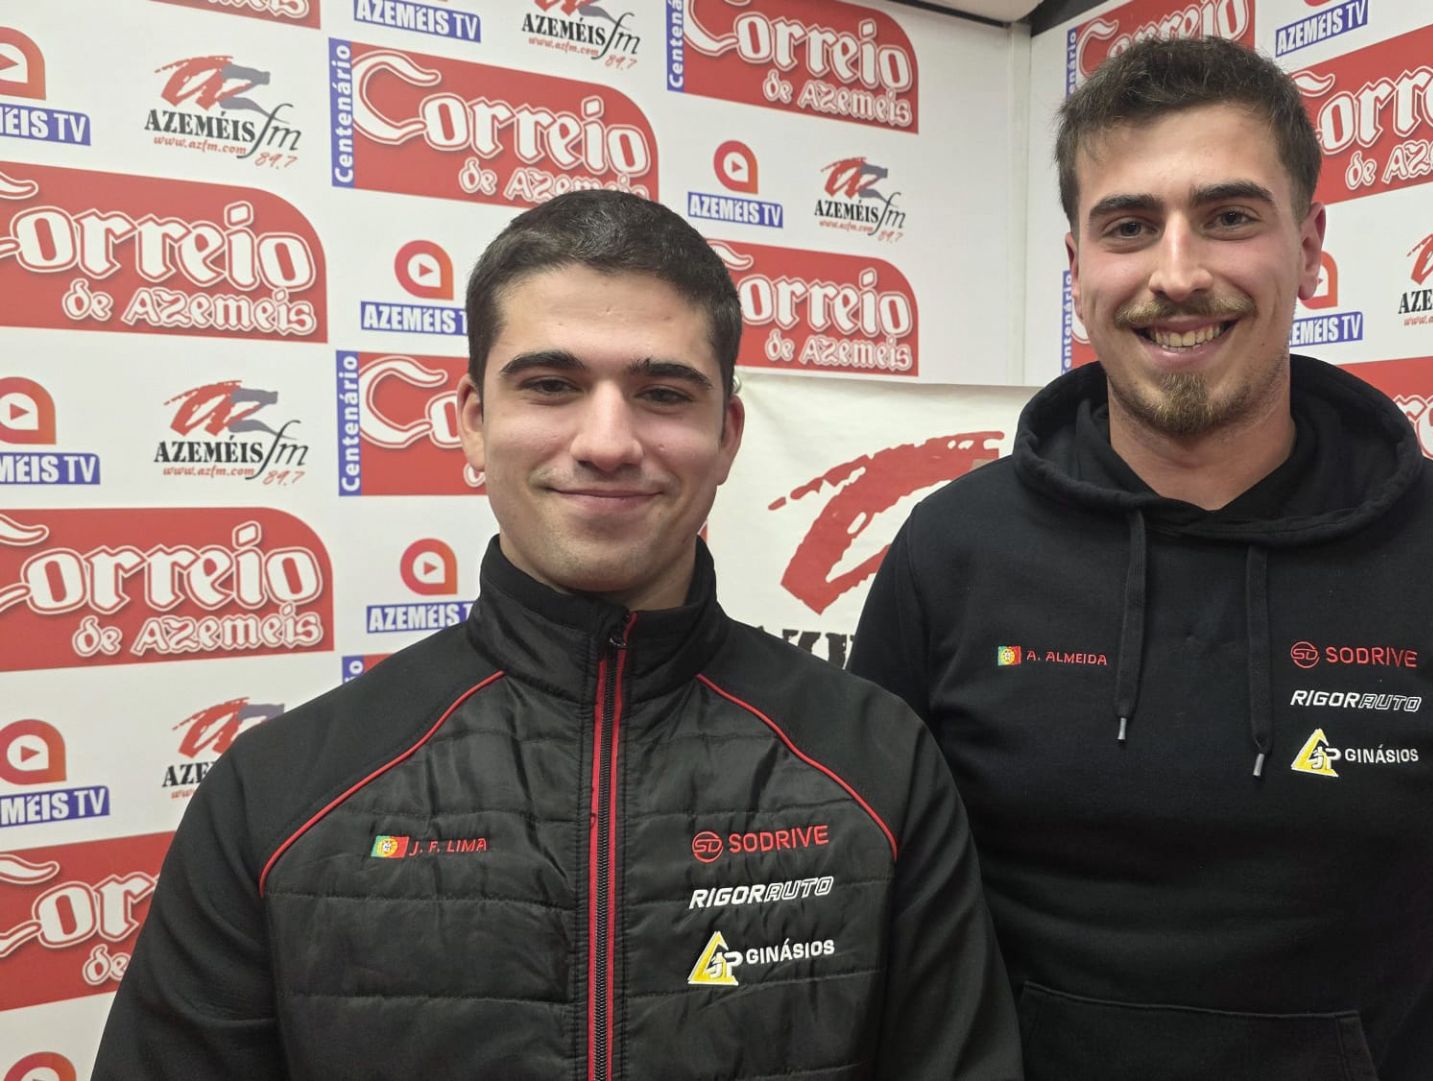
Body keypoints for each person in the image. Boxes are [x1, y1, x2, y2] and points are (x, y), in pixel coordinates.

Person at [94, 191, 1022, 1081]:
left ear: (727, 434)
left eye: (663, 392)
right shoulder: (280, 788)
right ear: (474, 423)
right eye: (551, 385)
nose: (607, 441)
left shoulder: (878, 761)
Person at [848, 37, 1433, 1081]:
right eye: (1129, 226)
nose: (1177, 273)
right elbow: (880, 872)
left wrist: (1363, 1050)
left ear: (1309, 244)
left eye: (1229, 217)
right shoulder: (951, 551)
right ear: (1077, 267)